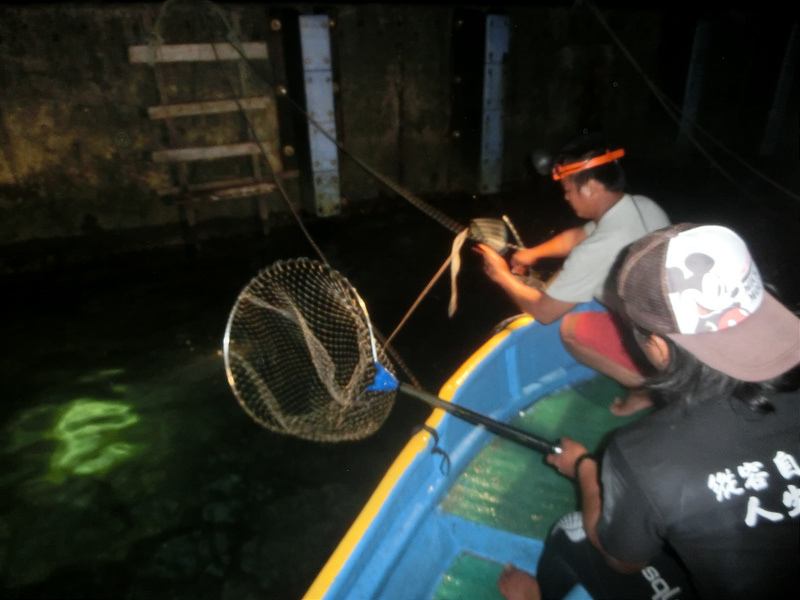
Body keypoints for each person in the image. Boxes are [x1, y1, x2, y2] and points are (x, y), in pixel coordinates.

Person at [496, 223, 800, 600]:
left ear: (656, 347)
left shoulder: (646, 455)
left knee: (572, 532)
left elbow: (622, 561)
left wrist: (585, 468)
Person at [476, 138, 670, 416]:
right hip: (671, 329)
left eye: (568, 190)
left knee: (570, 329)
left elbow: (544, 312)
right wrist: (532, 253)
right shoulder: (642, 206)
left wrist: (502, 276)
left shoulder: (599, 248)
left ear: (591, 187)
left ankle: (647, 390)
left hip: (659, 352)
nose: (565, 197)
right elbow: (577, 237)